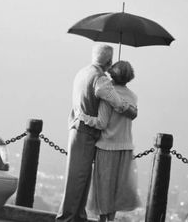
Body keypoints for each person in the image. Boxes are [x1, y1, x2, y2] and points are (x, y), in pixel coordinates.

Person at [56, 45, 137, 222]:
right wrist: (130, 110)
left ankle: (77, 216)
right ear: (108, 62)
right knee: (78, 179)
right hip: (86, 132)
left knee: (80, 178)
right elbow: (117, 103)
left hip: (75, 129)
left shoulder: (82, 72)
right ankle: (68, 218)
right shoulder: (100, 80)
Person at [78, 60, 141, 222]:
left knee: (103, 190)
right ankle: (111, 220)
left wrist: (83, 117)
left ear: (112, 75)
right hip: (126, 148)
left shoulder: (108, 95)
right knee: (116, 191)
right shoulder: (132, 96)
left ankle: (102, 220)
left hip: (107, 148)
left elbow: (101, 123)